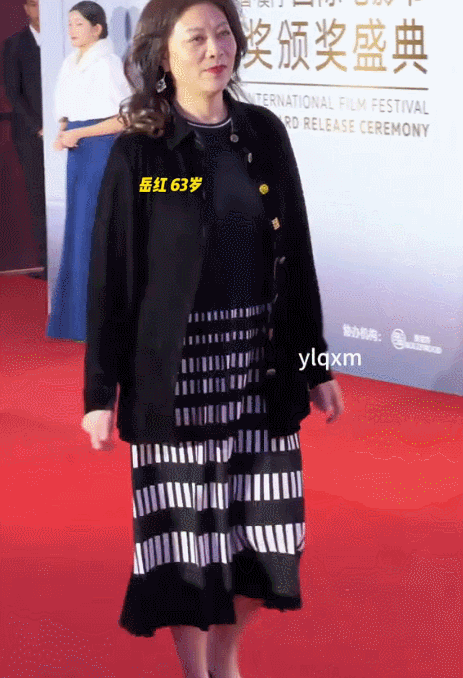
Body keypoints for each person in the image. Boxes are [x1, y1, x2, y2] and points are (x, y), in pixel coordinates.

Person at [82, 0, 344, 676]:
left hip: (259, 368)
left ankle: (226, 661)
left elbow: (297, 257)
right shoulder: (142, 151)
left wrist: (316, 365)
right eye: (195, 37)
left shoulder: (262, 132)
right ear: (163, 54)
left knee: (264, 534)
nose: (214, 49)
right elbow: (112, 276)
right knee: (186, 543)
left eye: (223, 33)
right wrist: (99, 394)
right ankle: (195, 670)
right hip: (176, 377)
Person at [47, 1, 132, 341]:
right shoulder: (71, 62)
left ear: (98, 29)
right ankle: (74, 320)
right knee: (77, 229)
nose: (71, 30)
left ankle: (99, 320)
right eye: (69, 23)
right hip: (78, 152)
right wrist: (63, 131)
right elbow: (67, 110)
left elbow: (124, 118)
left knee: (93, 228)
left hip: (99, 151)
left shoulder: (108, 64)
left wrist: (78, 133)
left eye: (79, 24)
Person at [3, 0, 47, 279]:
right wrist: (38, 127)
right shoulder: (15, 44)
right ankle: (48, 261)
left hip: (66, 130)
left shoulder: (66, 40)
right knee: (38, 195)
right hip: (30, 135)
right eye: (33, 4)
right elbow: (13, 92)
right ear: (25, 8)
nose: (39, 10)